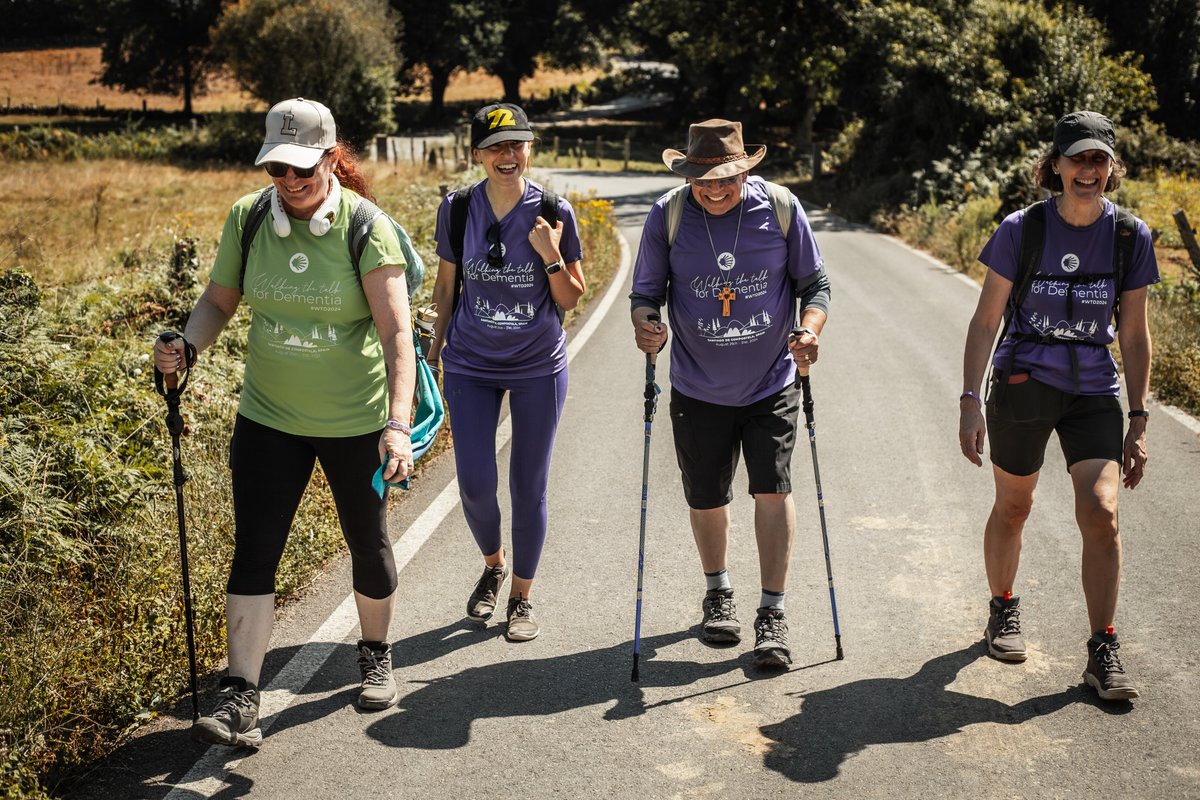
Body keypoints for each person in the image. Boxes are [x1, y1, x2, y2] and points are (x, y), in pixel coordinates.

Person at [154, 97, 418, 746]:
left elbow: (398, 337)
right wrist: (186, 345)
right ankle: (241, 694)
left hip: (356, 420)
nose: (292, 181)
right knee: (255, 549)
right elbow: (218, 300)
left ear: (331, 158)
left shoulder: (366, 227)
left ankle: (376, 651)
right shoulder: (247, 219)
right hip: (269, 415)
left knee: (368, 539)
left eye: (304, 167)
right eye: (278, 168)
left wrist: (397, 423)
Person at [959, 110, 1158, 701]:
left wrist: (1140, 417)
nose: (1088, 171)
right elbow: (985, 320)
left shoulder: (1130, 236)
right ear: (1055, 167)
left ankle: (1103, 646)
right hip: (1024, 382)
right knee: (1014, 506)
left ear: (1112, 168)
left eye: (1099, 160)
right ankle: (1002, 606)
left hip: (1094, 388)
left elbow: (1136, 334)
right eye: (1078, 159)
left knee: (1101, 513)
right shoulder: (1023, 230)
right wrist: (970, 400)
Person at [630, 119, 831, 669]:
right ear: (688, 174)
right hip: (696, 387)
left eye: (726, 180)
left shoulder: (782, 209)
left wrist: (809, 329)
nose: (715, 190)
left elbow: (815, 285)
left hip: (772, 382)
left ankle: (772, 611)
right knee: (706, 497)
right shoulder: (667, 215)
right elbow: (646, 292)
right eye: (703, 181)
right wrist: (647, 324)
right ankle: (718, 593)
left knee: (772, 490)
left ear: (745, 169)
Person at [425, 102, 585, 642]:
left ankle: (521, 595)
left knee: (527, 484)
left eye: (516, 145)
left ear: (530, 150)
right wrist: (432, 350)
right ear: (477, 154)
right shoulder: (458, 208)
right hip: (470, 362)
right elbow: (447, 287)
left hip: (537, 364)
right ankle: (493, 564)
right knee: (473, 482)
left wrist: (550, 255)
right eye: (495, 147)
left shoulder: (555, 210)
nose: (507, 156)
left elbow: (571, 297)